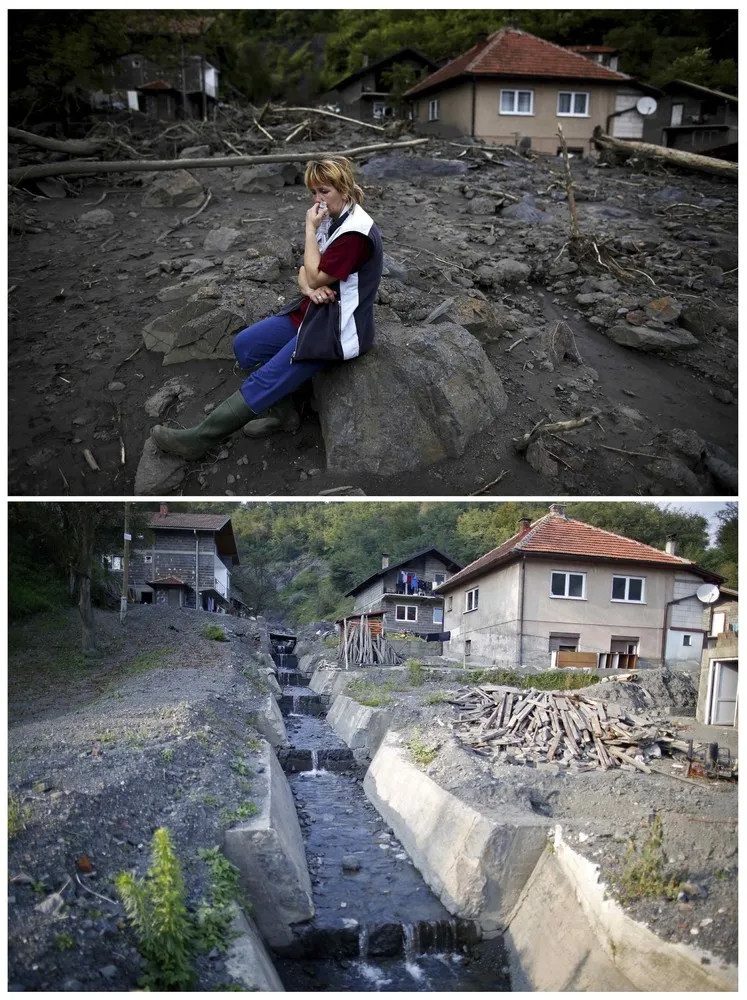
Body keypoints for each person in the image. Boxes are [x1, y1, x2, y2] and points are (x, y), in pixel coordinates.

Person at [150, 156, 383, 460]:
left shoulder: (354, 232)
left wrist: (309, 233)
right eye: (313, 192)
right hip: (315, 310)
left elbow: (312, 271)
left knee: (266, 378)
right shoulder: (335, 218)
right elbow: (304, 274)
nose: (317, 200)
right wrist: (309, 287)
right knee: (246, 345)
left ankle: (198, 439)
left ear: (344, 188)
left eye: (324, 191)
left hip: (338, 328)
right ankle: (284, 414)